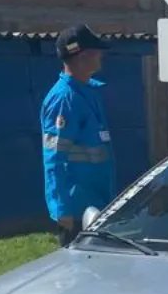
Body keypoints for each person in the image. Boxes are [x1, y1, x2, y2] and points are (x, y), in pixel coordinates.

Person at [40, 24, 117, 246]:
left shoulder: (88, 92)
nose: (101, 56)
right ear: (82, 56)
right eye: (97, 51)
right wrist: (62, 209)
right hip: (76, 210)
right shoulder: (64, 99)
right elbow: (54, 159)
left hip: (97, 203)